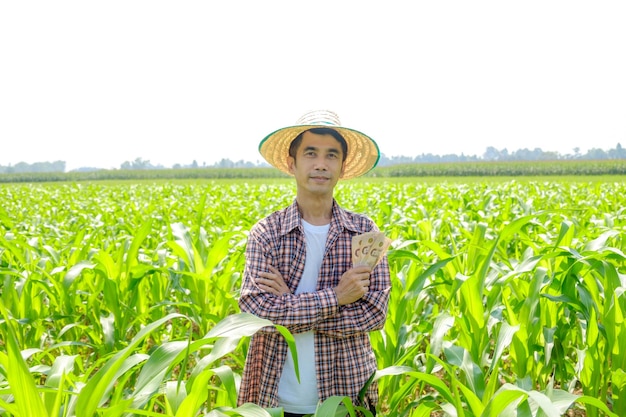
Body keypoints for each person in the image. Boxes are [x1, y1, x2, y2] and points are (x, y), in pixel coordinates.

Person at [237, 110, 391, 416]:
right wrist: (337, 298)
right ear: (292, 163)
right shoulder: (267, 233)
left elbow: (374, 314)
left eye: (331, 155)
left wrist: (289, 308)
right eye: (311, 153)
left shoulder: (364, 232)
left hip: (346, 396)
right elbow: (256, 312)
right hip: (275, 398)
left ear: (342, 166)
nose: (321, 163)